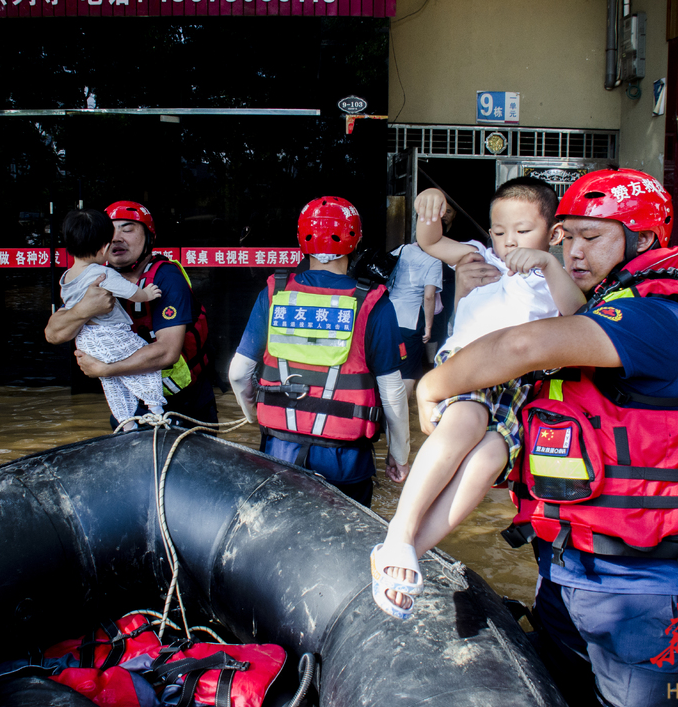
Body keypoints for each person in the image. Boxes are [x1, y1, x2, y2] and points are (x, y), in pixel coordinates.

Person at [413, 169, 678, 707]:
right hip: (567, 567)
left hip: (640, 590)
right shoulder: (590, 305)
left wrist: (431, 385)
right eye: (565, 235)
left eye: (592, 237)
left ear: (643, 240)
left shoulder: (655, 316)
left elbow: (523, 346)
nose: (574, 251)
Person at [371, 177, 584, 620]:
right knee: (465, 425)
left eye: (523, 232)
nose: (508, 242)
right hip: (469, 364)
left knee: (488, 460)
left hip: (513, 382)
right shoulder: (479, 257)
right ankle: (400, 533)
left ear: (554, 233)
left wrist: (546, 263)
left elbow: (576, 314)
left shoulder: (556, 276)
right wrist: (431, 205)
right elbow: (430, 242)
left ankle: (407, 551)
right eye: (500, 231)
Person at [227, 196, 411, 508]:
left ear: (302, 240)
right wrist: (399, 454)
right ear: (356, 239)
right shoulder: (373, 302)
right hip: (346, 463)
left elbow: (238, 373)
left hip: (279, 452)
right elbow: (392, 391)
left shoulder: (276, 292)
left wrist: (253, 415)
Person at [45, 201, 218, 426]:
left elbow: (167, 353)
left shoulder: (166, 278)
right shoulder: (94, 278)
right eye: (110, 231)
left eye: (127, 229)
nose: (116, 237)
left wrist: (107, 370)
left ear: (149, 237)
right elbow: (54, 334)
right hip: (131, 402)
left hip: (182, 405)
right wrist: (85, 309)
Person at [58, 209, 165, 431]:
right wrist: (147, 294)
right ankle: (156, 410)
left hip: (85, 341)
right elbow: (129, 291)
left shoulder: (67, 276)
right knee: (145, 360)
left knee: (113, 382)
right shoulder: (101, 273)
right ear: (105, 247)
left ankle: (126, 423)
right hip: (109, 333)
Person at [386, 241, 443, 396]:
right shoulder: (434, 262)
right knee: (408, 370)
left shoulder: (402, 248)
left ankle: (380, 413)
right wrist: (429, 327)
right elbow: (429, 296)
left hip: (386, 314)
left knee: (385, 364)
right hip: (409, 320)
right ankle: (399, 415)